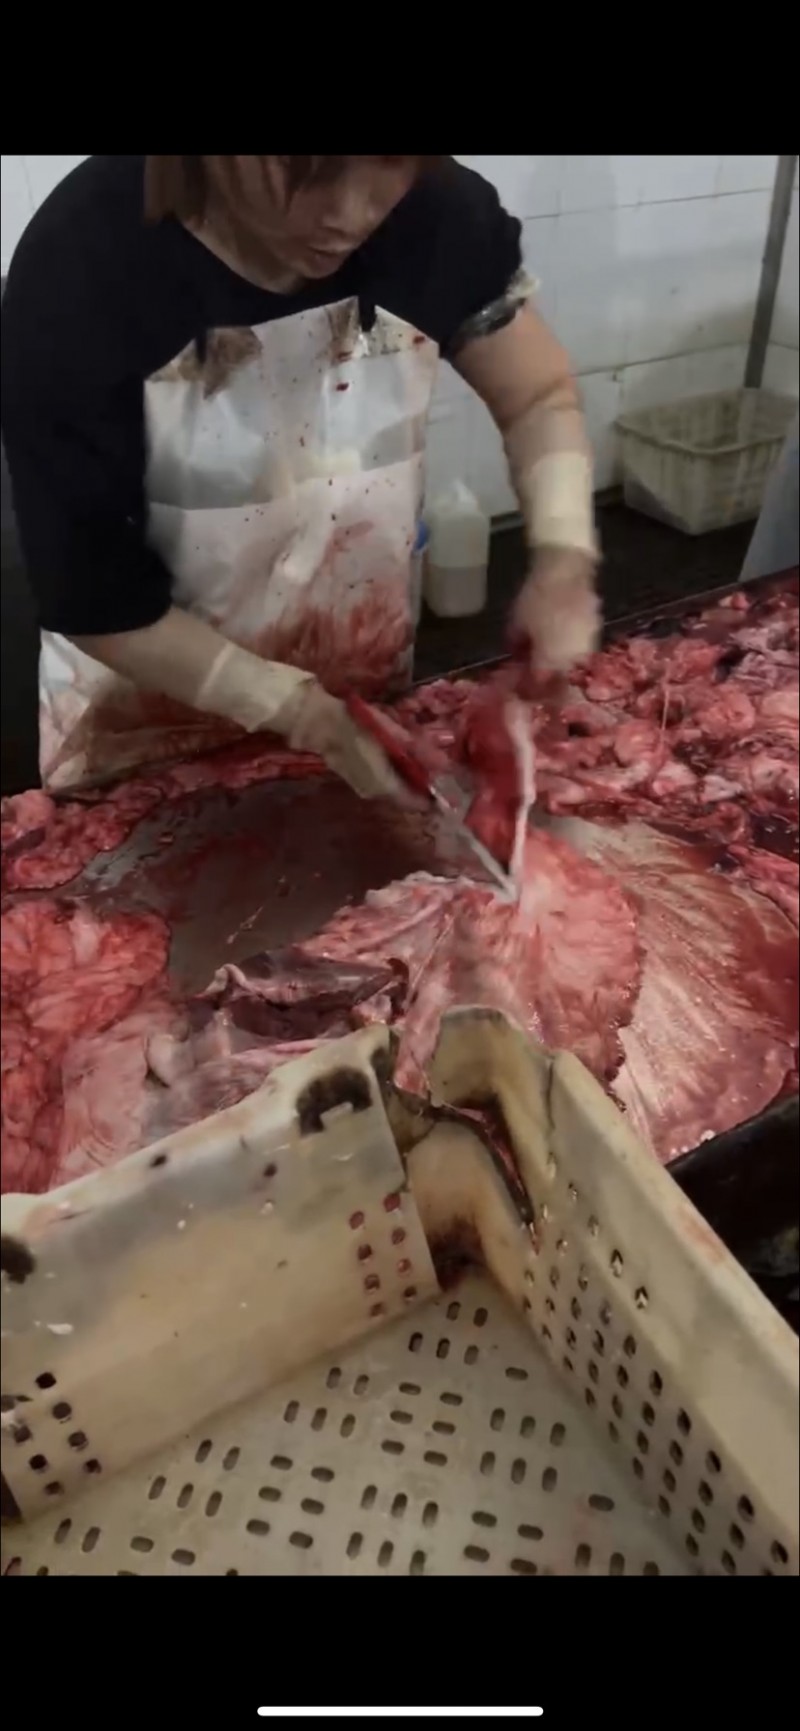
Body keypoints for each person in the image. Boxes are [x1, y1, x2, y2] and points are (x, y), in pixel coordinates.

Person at [1, 155, 599, 795]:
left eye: (391, 166)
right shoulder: (84, 264)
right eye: (305, 170)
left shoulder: (434, 211)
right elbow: (96, 600)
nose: (351, 215)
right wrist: (296, 709)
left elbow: (537, 398)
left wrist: (564, 559)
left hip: (359, 698)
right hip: (144, 731)